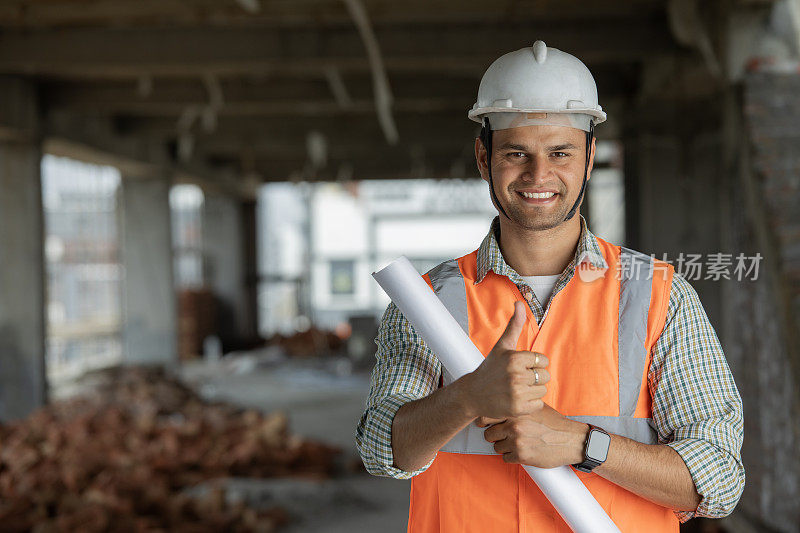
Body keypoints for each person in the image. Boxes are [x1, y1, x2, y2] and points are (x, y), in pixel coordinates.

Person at [356, 41, 744, 532]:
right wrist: (468, 397)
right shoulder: (430, 300)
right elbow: (380, 451)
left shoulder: (656, 297)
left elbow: (720, 481)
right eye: (517, 153)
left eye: (560, 153)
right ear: (484, 156)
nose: (539, 175)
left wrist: (584, 445)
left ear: (589, 157)